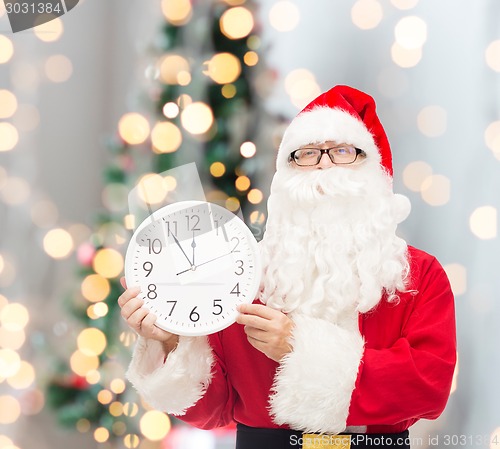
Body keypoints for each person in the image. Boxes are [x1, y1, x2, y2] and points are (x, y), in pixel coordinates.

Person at [118, 85, 457, 449]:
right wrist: (171, 341)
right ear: (285, 176)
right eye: (307, 154)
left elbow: (429, 387)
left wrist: (299, 346)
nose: (324, 163)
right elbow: (213, 410)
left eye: (343, 151)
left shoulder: (419, 275)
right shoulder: (240, 273)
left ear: (373, 170)